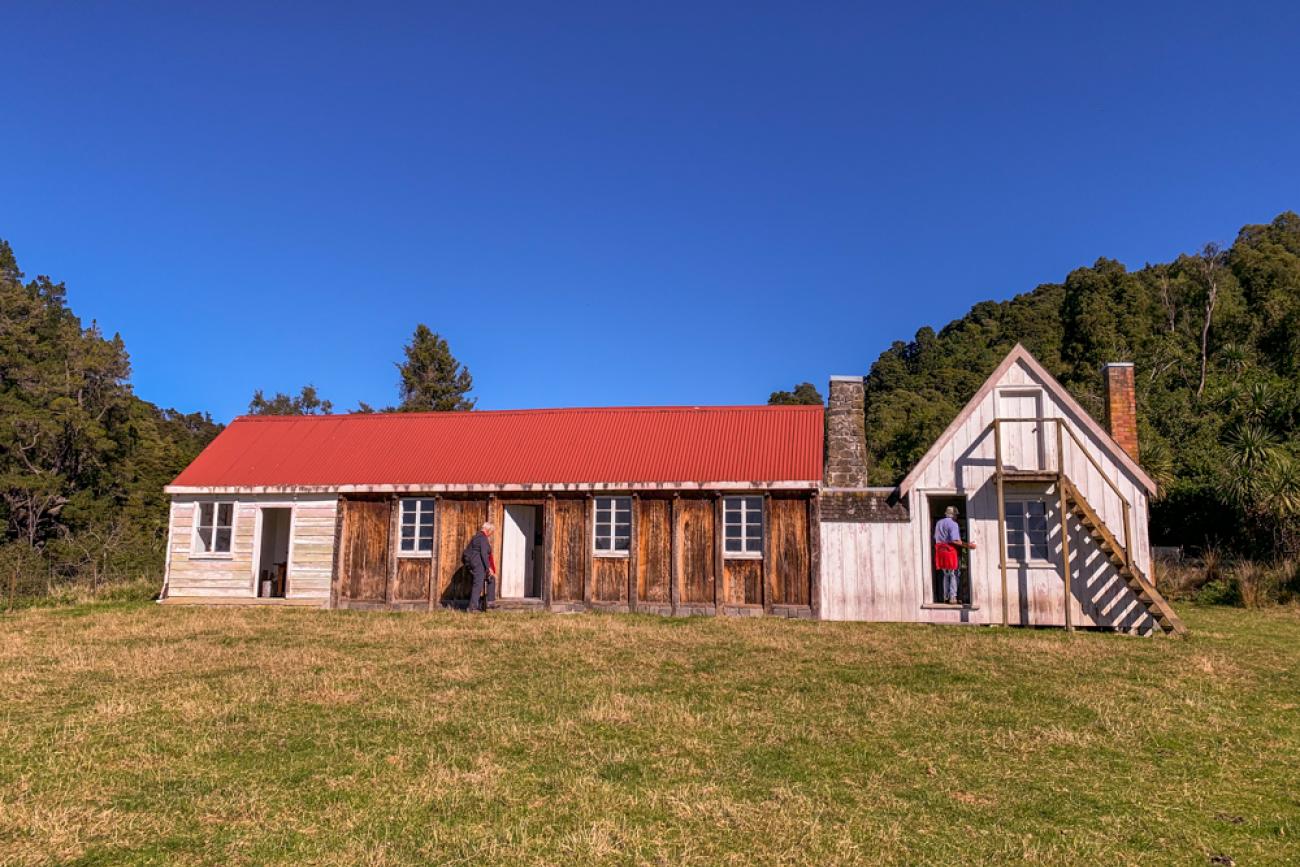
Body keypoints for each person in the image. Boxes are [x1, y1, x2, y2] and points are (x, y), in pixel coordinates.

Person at [934, 506, 976, 605]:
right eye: (956, 515)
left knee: (946, 575)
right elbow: (955, 540)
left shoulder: (939, 523)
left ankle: (946, 596)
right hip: (950, 551)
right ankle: (953, 597)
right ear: (953, 515)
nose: (957, 517)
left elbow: (935, 537)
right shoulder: (953, 524)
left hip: (940, 551)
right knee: (954, 574)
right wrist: (968, 545)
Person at [462, 522, 497, 612]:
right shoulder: (482, 538)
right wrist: (488, 567)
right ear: (487, 530)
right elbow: (484, 554)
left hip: (477, 563)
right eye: (491, 532)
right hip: (478, 564)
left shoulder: (477, 537)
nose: (490, 534)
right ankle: (472, 608)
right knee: (478, 584)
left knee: (491, 579)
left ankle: (490, 603)